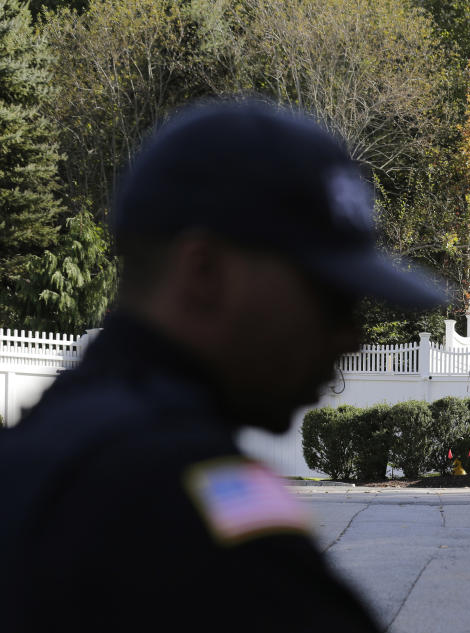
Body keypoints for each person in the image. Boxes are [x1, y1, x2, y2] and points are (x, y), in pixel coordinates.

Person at [0, 101, 446, 632]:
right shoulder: (187, 503)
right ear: (204, 272)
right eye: (329, 298)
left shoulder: (34, 450)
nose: (350, 337)